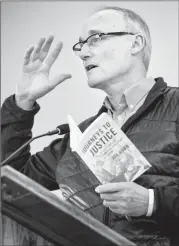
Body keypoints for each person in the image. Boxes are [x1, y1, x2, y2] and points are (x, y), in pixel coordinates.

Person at [1, 6, 179, 246]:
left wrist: (152, 202)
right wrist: (22, 104)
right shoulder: (78, 138)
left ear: (135, 44)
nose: (83, 52)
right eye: (80, 45)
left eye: (95, 38)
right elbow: (9, 184)